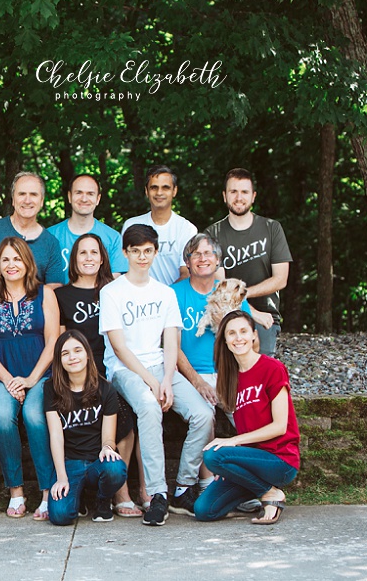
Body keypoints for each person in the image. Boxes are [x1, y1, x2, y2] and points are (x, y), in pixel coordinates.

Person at [99, 224, 214, 526]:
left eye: (147, 251)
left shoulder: (164, 293)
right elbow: (119, 347)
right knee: (149, 408)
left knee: (203, 414)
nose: (141, 257)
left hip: (162, 367)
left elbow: (171, 340)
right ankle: (157, 494)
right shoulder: (111, 292)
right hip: (126, 370)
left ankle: (183, 485)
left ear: (155, 252)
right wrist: (152, 383)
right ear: (125, 253)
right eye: (135, 251)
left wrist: (166, 379)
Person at [53, 233, 143, 517]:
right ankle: (83, 488)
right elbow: (60, 342)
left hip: (112, 371)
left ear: (103, 257)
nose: (89, 258)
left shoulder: (116, 289)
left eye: (95, 252)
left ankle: (121, 492)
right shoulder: (62, 295)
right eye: (83, 253)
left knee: (127, 418)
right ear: (74, 259)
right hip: (77, 373)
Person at [170, 233, 253, 516]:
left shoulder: (228, 290)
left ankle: (246, 485)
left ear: (218, 260)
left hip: (227, 371)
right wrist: (198, 381)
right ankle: (193, 487)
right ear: (188, 262)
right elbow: (172, 347)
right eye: (196, 254)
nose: (203, 258)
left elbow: (248, 338)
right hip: (188, 374)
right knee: (204, 418)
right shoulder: (175, 293)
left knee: (248, 421)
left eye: (208, 254)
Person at [0, 236, 58, 520]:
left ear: (27, 262)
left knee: (35, 417)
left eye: (17, 258)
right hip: (2, 376)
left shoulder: (45, 294)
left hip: (40, 374)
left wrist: (31, 378)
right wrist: (10, 379)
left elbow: (52, 343)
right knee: (2, 416)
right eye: (5, 260)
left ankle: (48, 493)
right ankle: (16, 492)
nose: (12, 265)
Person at [194, 310, 300, 524]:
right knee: (204, 510)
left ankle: (271, 494)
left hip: (280, 460)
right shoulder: (230, 378)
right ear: (224, 340)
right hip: (251, 464)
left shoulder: (272, 368)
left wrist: (232, 444)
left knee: (214, 455)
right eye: (231, 333)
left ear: (254, 335)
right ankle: (264, 491)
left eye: (243, 331)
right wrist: (232, 468)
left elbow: (280, 426)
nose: (238, 338)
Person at [45, 331, 129, 526]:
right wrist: (61, 478)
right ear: (59, 360)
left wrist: (108, 448)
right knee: (60, 516)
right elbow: (56, 435)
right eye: (65, 353)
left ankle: (103, 500)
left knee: (116, 468)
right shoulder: (52, 389)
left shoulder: (106, 389)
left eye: (77, 350)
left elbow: (108, 437)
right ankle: (77, 497)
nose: (72, 357)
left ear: (88, 354)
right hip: (70, 463)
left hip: (96, 462)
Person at [205, 168, 292, 357]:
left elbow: (280, 279)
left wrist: (242, 296)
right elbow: (220, 285)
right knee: (226, 372)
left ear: (253, 196)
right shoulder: (212, 234)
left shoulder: (272, 229)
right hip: (226, 315)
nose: (238, 197)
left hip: (265, 316)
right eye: (233, 192)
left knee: (260, 373)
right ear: (224, 196)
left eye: (244, 192)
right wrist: (247, 309)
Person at [0, 172, 62, 301]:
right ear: (13, 199)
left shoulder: (51, 243)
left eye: (33, 194)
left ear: (42, 201)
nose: (27, 200)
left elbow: (53, 291)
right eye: (22, 194)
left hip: (32, 319)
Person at [121, 165, 197, 285]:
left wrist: (162, 297)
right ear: (146, 191)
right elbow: (125, 271)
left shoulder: (187, 229)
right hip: (137, 299)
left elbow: (186, 273)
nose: (159, 193)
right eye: (154, 187)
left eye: (165, 187)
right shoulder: (132, 225)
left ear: (174, 191)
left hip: (175, 299)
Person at [47, 174, 128, 284]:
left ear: (98, 199)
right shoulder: (49, 236)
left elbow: (114, 285)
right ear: (69, 196)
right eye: (79, 193)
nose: (84, 199)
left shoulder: (113, 238)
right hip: (57, 301)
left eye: (90, 194)